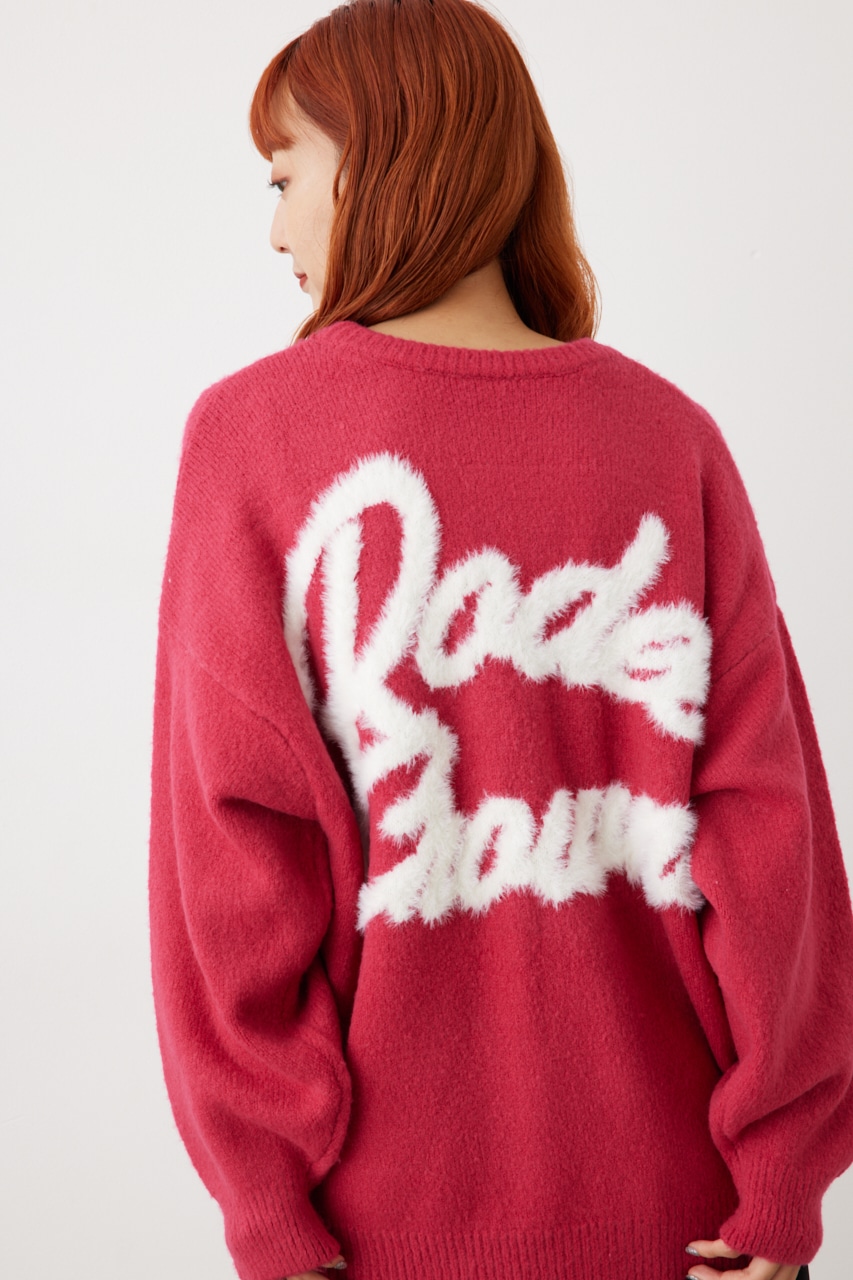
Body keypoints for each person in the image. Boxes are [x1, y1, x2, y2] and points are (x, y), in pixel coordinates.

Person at [146, 2, 853, 1278]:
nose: (274, 229)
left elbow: (231, 860)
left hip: (369, 1225)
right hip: (691, 1217)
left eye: (283, 176)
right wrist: (781, 1172)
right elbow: (770, 838)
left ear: (381, 154)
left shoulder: (254, 439)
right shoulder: (669, 436)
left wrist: (265, 1194)